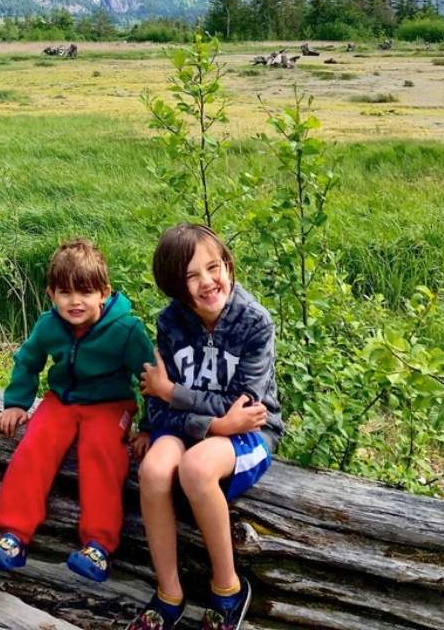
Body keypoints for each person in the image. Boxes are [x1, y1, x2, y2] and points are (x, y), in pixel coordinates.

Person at [126, 223, 283, 630]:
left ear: (228, 265)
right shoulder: (171, 323)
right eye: (192, 276)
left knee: (196, 469)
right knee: (155, 470)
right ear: (175, 286)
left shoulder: (254, 323)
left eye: (215, 267)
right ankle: (169, 593)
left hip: (249, 432)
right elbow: (157, 398)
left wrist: (174, 393)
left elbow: (243, 408)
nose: (209, 282)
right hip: (193, 426)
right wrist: (206, 420)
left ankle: (228, 587)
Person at [0, 238, 155, 582]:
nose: (75, 302)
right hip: (61, 401)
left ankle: (98, 546)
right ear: (51, 294)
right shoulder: (49, 325)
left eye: (86, 293)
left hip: (110, 405)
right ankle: (13, 537)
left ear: (104, 292)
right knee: (33, 447)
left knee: (102, 453)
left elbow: (152, 380)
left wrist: (150, 427)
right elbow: (27, 361)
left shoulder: (127, 330)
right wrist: (16, 403)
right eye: (65, 293)